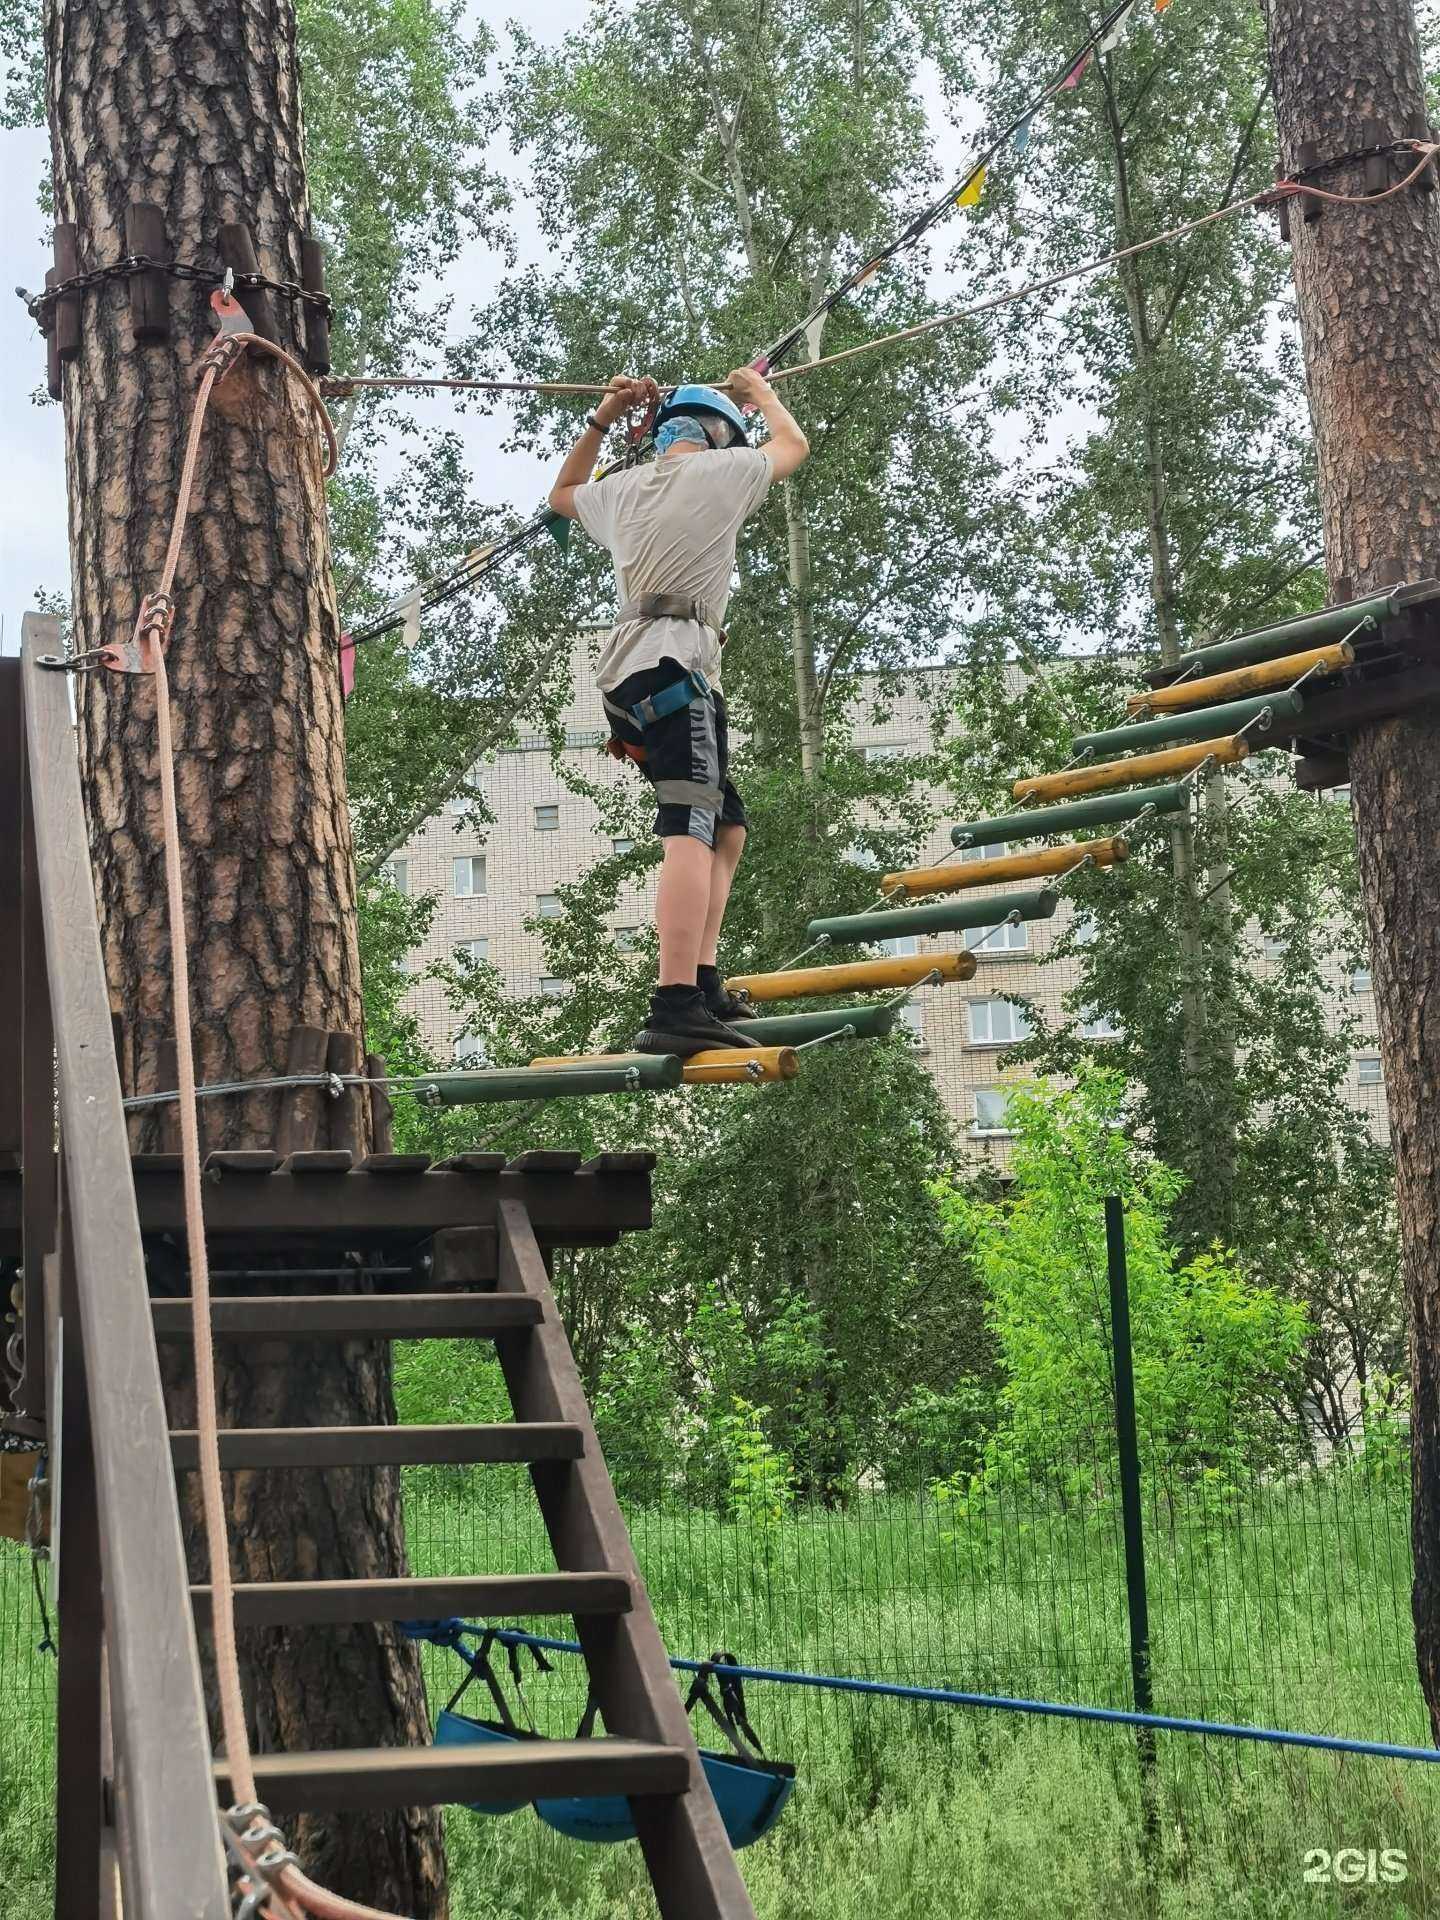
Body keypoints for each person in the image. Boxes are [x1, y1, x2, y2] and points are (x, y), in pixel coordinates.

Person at [549, 367, 810, 1056]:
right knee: (693, 827)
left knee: (727, 827)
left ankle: (701, 978)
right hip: (675, 667)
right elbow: (793, 448)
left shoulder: (623, 489)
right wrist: (764, 395)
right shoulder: (726, 473)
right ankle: (674, 1003)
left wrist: (605, 414)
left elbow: (562, 493)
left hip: (635, 679)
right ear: (721, 436)